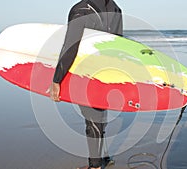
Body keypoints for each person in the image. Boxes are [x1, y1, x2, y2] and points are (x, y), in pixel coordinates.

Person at [50, 0, 123, 169]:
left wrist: (56, 79)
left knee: (91, 119)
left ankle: (95, 165)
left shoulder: (80, 9)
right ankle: (104, 158)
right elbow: (118, 45)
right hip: (106, 71)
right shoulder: (116, 9)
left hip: (85, 72)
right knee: (99, 115)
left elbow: (70, 47)